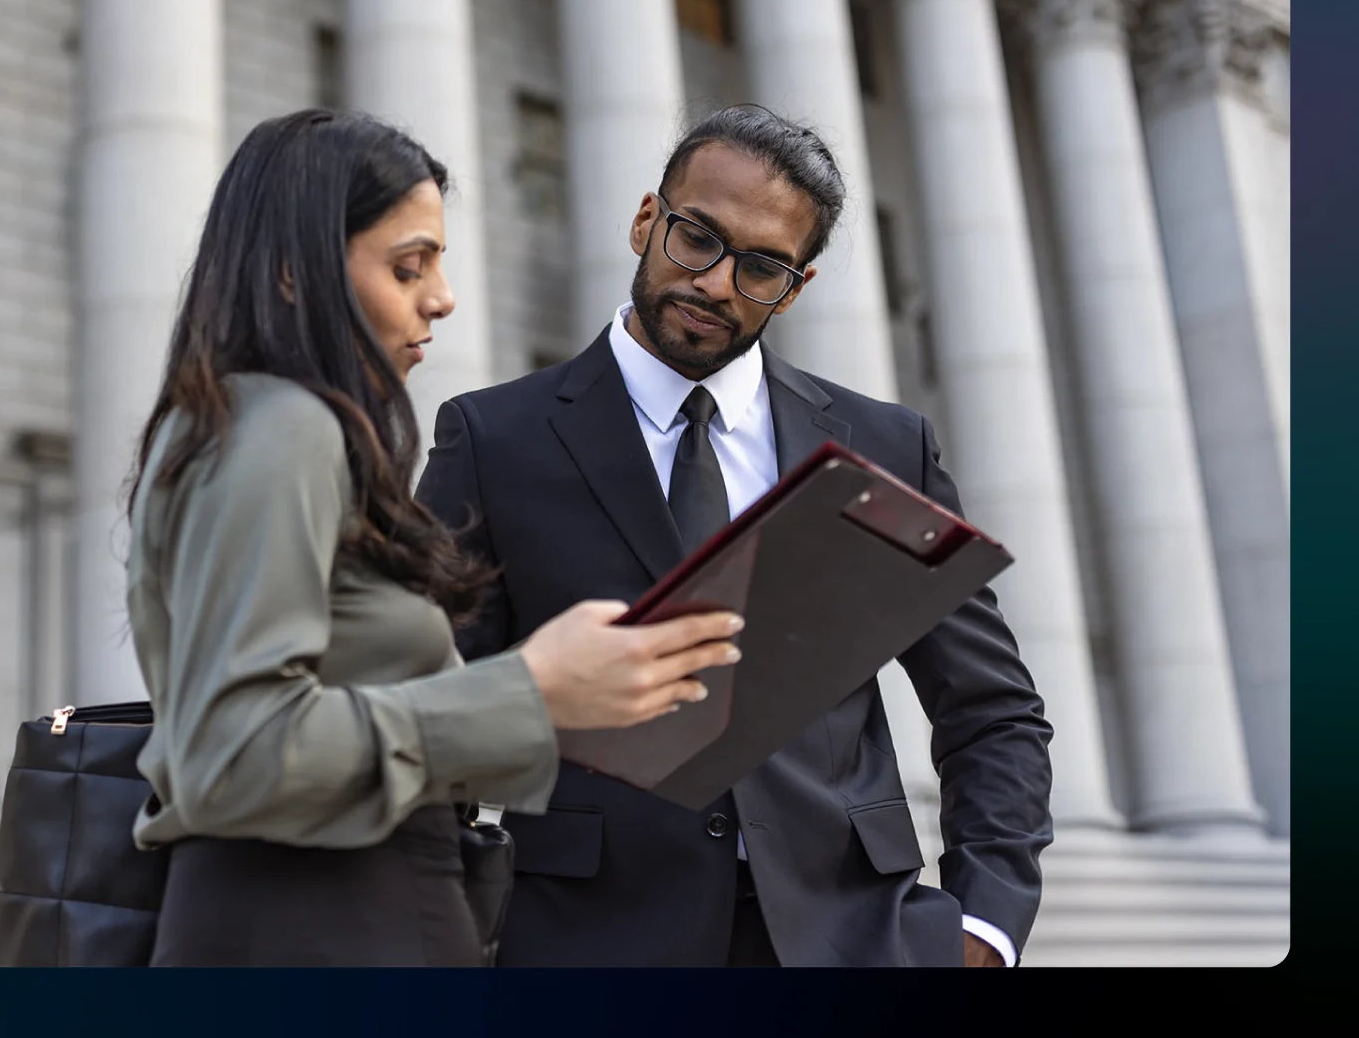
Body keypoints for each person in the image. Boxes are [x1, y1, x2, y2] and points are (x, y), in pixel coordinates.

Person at [416, 104, 1054, 968]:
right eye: (697, 238)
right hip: (586, 945)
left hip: (853, 939)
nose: (717, 282)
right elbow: (428, 700)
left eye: (761, 267)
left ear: (797, 286)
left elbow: (991, 705)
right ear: (648, 220)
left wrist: (984, 924)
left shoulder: (883, 446)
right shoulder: (494, 440)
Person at [121, 108, 744, 967]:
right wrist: (531, 686)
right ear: (292, 274)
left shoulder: (254, 424)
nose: (442, 298)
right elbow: (233, 753)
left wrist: (571, 699)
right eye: (408, 267)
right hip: (317, 925)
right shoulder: (280, 427)